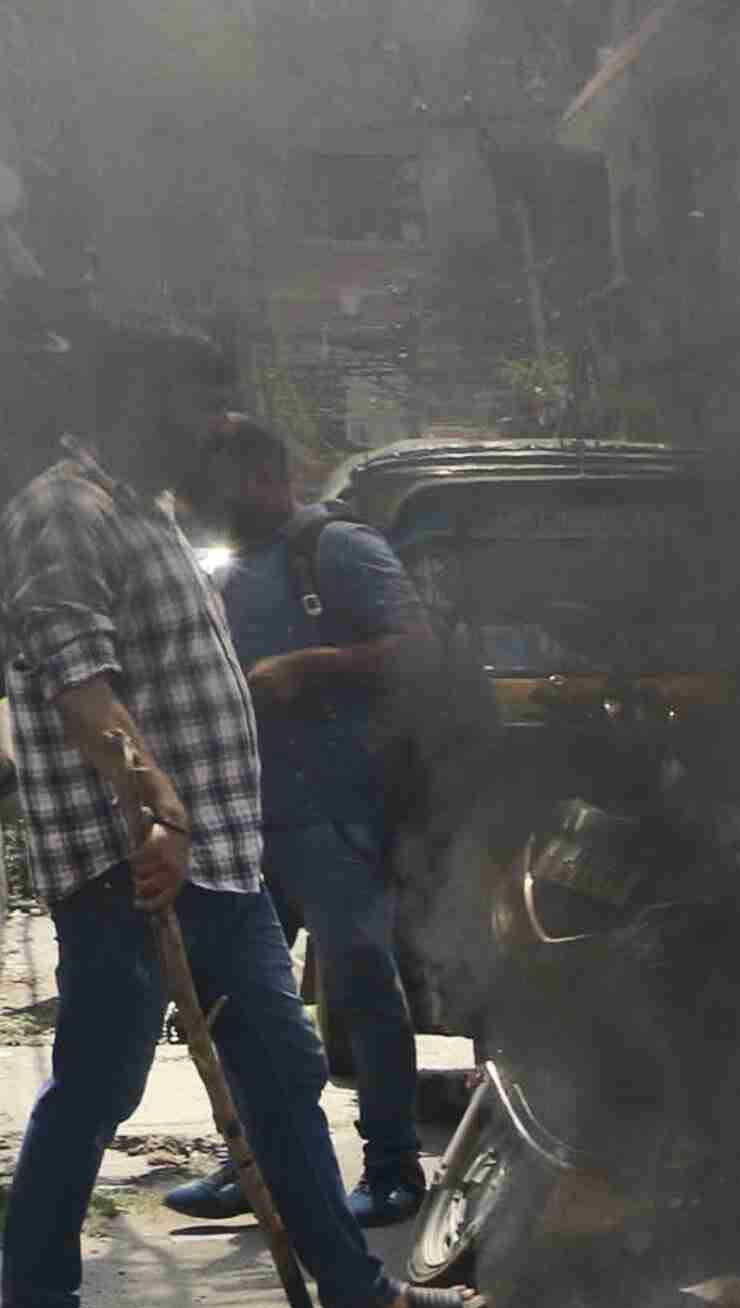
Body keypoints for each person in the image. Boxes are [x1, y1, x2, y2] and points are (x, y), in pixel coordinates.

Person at [2, 325, 473, 1308]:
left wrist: (194, 821)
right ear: (139, 403)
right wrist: (158, 809)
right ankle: (32, 1305)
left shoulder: (151, 515)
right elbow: (81, 687)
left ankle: (358, 1296)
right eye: (198, 409)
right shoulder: (62, 514)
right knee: (97, 1082)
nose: (214, 432)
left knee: (283, 1064)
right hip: (134, 860)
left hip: (214, 853)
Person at [164, 417, 424, 1229]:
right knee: (244, 1000)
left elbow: (419, 653)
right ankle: (262, 1166)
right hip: (241, 820)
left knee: (359, 987)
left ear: (258, 476)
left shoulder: (339, 550)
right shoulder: (221, 564)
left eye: (209, 486)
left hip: (338, 815)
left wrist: (312, 668)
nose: (198, 504)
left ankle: (392, 1169)